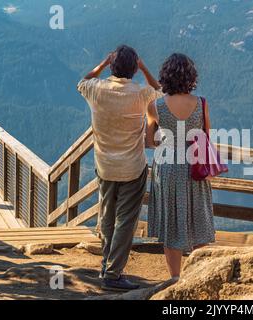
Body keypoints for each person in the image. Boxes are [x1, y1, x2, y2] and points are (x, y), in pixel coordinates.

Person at [77, 45, 163, 291]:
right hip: (133, 167)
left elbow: (83, 80)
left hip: (104, 166)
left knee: (106, 216)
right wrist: (144, 67)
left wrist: (102, 65)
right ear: (134, 69)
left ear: (112, 66)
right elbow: (159, 90)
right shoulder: (139, 94)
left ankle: (107, 264)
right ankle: (113, 274)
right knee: (125, 220)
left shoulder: (96, 89)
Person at [146, 53, 216, 281]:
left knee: (171, 223)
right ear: (191, 77)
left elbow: (149, 141)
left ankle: (175, 279)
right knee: (199, 219)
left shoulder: (154, 106)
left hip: (166, 166)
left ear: (165, 76)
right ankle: (200, 276)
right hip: (194, 164)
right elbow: (206, 136)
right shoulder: (201, 103)